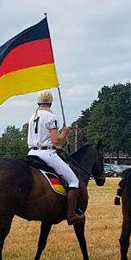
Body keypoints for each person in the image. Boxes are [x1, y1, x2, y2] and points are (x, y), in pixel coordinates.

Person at [28, 90, 84, 225]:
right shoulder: (51, 117)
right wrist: (64, 133)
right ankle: (71, 215)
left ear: (38, 102)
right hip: (47, 155)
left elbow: (42, 139)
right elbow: (55, 140)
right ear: (51, 102)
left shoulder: (32, 116)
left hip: (32, 153)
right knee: (73, 182)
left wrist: (53, 145)